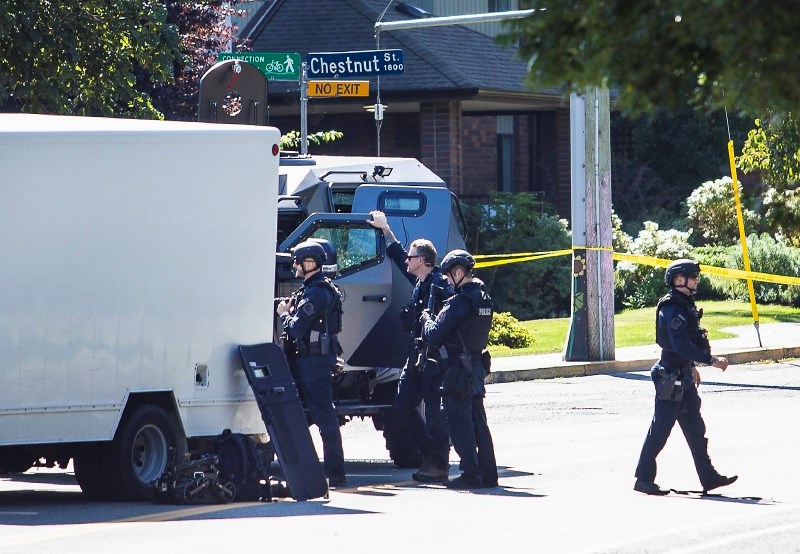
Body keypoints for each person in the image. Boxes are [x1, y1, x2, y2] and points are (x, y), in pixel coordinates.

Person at [634, 258, 737, 495]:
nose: (696, 281)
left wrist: (690, 366)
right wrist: (711, 361)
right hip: (670, 378)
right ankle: (643, 479)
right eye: (693, 277)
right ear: (680, 279)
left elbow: (684, 345)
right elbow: (679, 344)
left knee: (695, 430)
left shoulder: (684, 304)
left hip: (682, 376)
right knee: (660, 430)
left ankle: (708, 478)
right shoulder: (672, 309)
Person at [368, 211, 454, 482]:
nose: (407, 259)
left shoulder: (440, 286)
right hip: (417, 357)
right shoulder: (421, 282)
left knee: (435, 413)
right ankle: (431, 455)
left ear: (424, 261)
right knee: (402, 407)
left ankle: (439, 463)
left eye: (412, 256)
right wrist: (386, 230)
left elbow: (452, 322)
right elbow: (396, 254)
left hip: (435, 359)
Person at [420, 249, 498, 489]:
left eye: (448, 276)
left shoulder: (460, 302)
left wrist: (426, 319)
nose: (447, 281)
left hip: (458, 370)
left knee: (459, 422)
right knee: (479, 421)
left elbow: (434, 334)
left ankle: (470, 473)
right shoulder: (484, 299)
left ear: (458, 272)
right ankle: (488, 473)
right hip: (476, 366)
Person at [276, 240, 347, 487]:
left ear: (309, 263)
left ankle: (335, 472)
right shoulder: (314, 290)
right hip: (311, 362)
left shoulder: (316, 293)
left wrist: (285, 314)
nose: (294, 265)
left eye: (298, 261)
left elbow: (296, 329)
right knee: (316, 416)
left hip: (314, 364)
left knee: (324, 417)